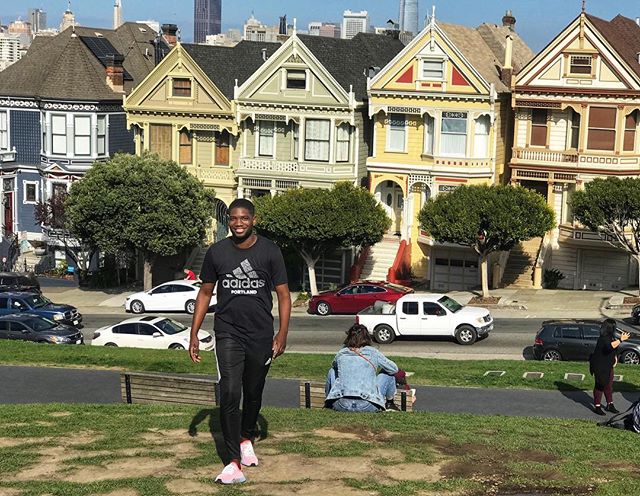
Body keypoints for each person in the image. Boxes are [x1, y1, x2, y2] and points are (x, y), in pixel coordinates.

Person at [189, 198, 291, 485]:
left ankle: (247, 437)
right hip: (228, 332)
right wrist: (194, 333)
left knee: (254, 392)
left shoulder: (270, 251)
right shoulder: (217, 252)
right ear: (228, 221)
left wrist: (281, 334)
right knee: (231, 392)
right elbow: (205, 293)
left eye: (243, 218)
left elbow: (284, 296)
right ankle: (233, 462)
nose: (238, 223)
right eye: (233, 218)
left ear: (253, 220)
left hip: (260, 334)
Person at [325, 323, 400, 412]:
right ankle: (390, 403)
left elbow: (334, 366)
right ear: (367, 337)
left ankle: (328, 402)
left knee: (332, 371)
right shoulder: (373, 352)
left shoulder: (342, 353)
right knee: (388, 373)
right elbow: (394, 369)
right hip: (368, 405)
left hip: (341, 404)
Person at [589, 319, 630, 416]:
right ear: (610, 328)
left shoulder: (611, 337)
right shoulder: (603, 338)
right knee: (600, 385)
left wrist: (615, 357)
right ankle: (597, 406)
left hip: (608, 366)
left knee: (609, 385)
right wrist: (621, 339)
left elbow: (613, 349)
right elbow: (609, 347)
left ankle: (609, 404)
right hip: (600, 366)